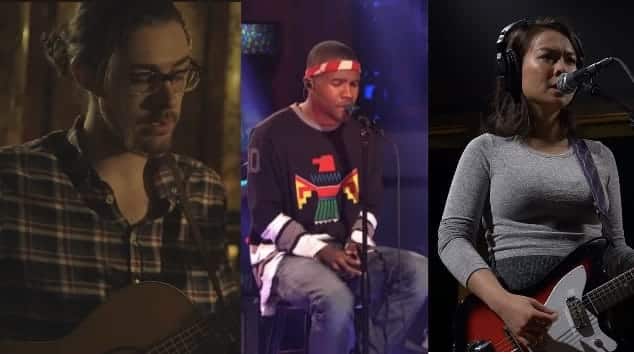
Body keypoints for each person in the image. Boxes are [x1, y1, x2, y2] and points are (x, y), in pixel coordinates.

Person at [0, 1, 238, 352]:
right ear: (87, 74)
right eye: (144, 78)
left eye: (178, 74)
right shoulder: (13, 183)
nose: (166, 101)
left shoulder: (202, 191)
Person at [438, 17, 634, 350]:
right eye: (548, 56)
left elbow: (616, 250)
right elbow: (452, 238)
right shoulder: (486, 150)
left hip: (586, 331)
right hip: (506, 326)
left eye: (570, 60)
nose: (562, 67)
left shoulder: (599, 157)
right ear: (514, 69)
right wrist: (504, 304)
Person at [247, 40, 428, 354]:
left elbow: (369, 204)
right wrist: (320, 251)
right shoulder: (270, 134)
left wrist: (357, 242)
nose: (348, 93)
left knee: (417, 272)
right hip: (284, 255)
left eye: (354, 84)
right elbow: (264, 215)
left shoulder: (363, 135)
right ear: (310, 84)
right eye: (337, 83)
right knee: (334, 297)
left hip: (344, 247)